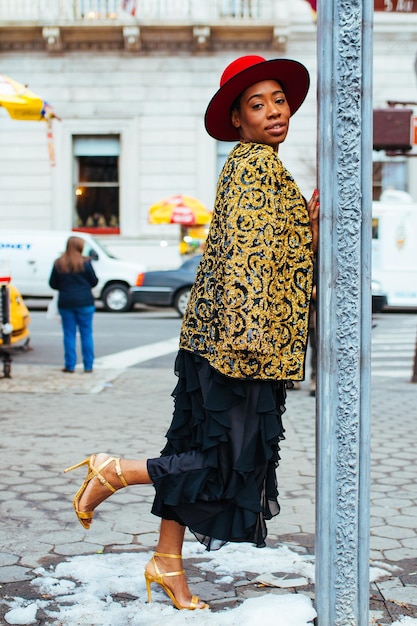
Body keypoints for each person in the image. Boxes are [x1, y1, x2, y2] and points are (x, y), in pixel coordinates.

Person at [64, 55, 319, 611]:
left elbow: (273, 254)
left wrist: (309, 224)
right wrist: (249, 348)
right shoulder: (255, 168)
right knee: (227, 464)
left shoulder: (255, 166)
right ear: (237, 120)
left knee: (190, 451)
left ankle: (167, 564)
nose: (274, 111)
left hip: (214, 342)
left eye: (279, 100)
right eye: (258, 104)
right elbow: (247, 265)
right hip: (239, 349)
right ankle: (118, 472)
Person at [49, 236, 98, 373]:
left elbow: (52, 284)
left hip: (66, 302)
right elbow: (94, 281)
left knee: (69, 334)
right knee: (86, 334)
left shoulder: (59, 263)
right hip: (85, 302)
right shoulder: (86, 263)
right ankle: (88, 366)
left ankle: (70, 365)